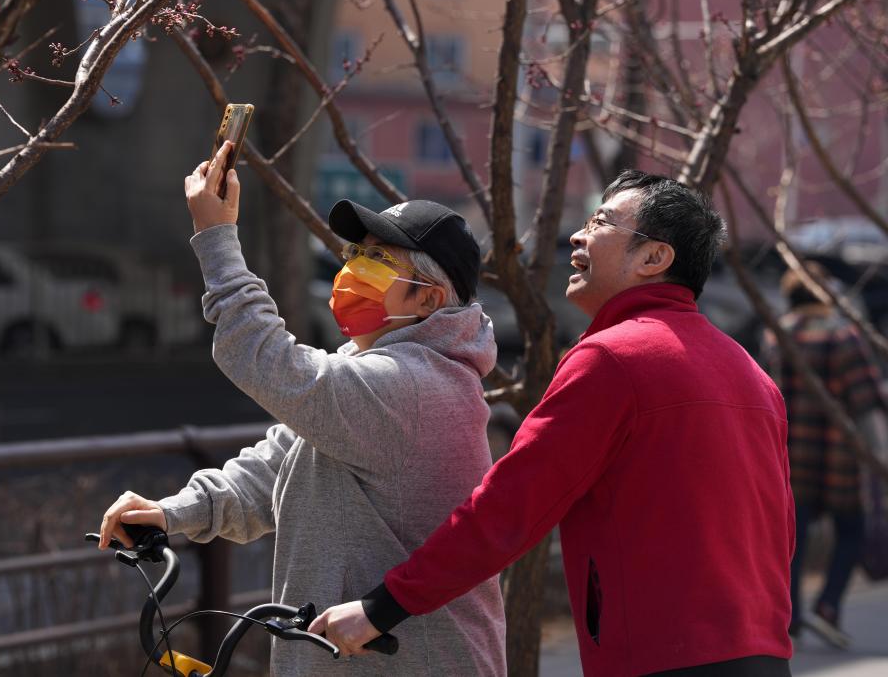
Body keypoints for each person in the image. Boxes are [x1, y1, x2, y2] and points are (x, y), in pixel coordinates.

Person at [311, 170, 796, 677]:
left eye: (601, 222)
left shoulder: (612, 359)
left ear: (654, 258)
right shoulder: (752, 373)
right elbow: (781, 531)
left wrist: (383, 606)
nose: (578, 236)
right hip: (764, 655)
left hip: (659, 660)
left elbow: (511, 505)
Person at [97, 141, 506, 675]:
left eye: (378, 260)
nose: (353, 268)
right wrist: (173, 512)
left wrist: (216, 237)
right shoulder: (370, 374)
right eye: (356, 253)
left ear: (428, 298)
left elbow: (261, 355)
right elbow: (277, 468)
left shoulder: (414, 388)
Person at [761, 263, 887, 648]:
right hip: (839, 457)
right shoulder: (844, 336)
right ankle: (828, 605)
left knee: (793, 539)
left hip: (789, 455)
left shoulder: (777, 335)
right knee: (852, 531)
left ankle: (791, 615)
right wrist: (880, 456)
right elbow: (865, 404)